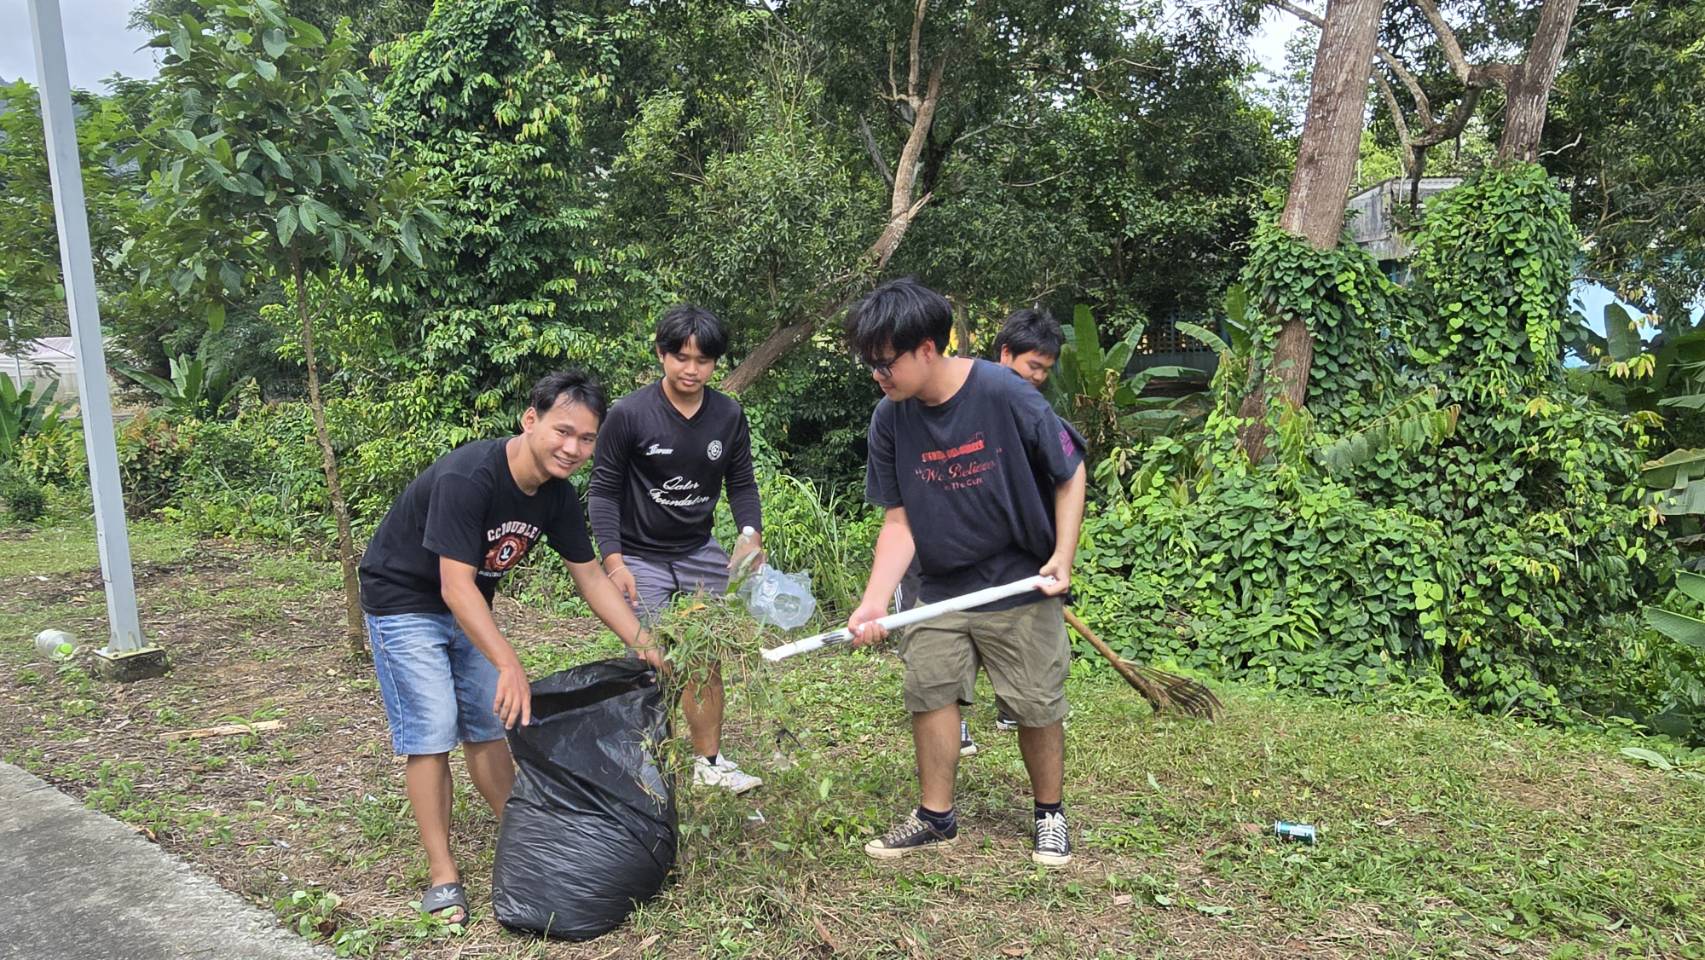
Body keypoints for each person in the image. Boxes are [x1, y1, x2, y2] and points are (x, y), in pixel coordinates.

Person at [358, 370, 662, 926]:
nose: (573, 448)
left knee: (488, 722)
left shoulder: (557, 496)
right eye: (562, 431)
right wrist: (509, 662)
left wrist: (646, 644)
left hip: (467, 603)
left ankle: (519, 831)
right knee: (432, 728)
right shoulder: (470, 476)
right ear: (530, 420)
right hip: (404, 601)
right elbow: (454, 585)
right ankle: (443, 874)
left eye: (586, 439)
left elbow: (591, 577)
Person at [844, 278, 1087, 867]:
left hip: (1017, 580)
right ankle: (936, 817)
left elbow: (1070, 470)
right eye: (870, 364)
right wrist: (874, 600)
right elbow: (899, 522)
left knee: (1035, 703)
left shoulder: (1003, 391)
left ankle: (1049, 813)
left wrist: (1063, 555)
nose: (878, 375)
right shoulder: (889, 419)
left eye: (885, 363)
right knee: (930, 691)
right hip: (938, 587)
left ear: (927, 349)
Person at [588, 304, 766, 795]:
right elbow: (603, 491)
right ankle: (646, 767)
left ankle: (709, 763)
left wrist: (750, 533)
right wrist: (614, 561)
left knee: (705, 655)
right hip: (638, 556)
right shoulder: (629, 414)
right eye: (681, 357)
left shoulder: (727, 415)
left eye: (703, 360)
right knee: (651, 659)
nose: (692, 370)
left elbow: (742, 482)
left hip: (698, 552)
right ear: (661, 354)